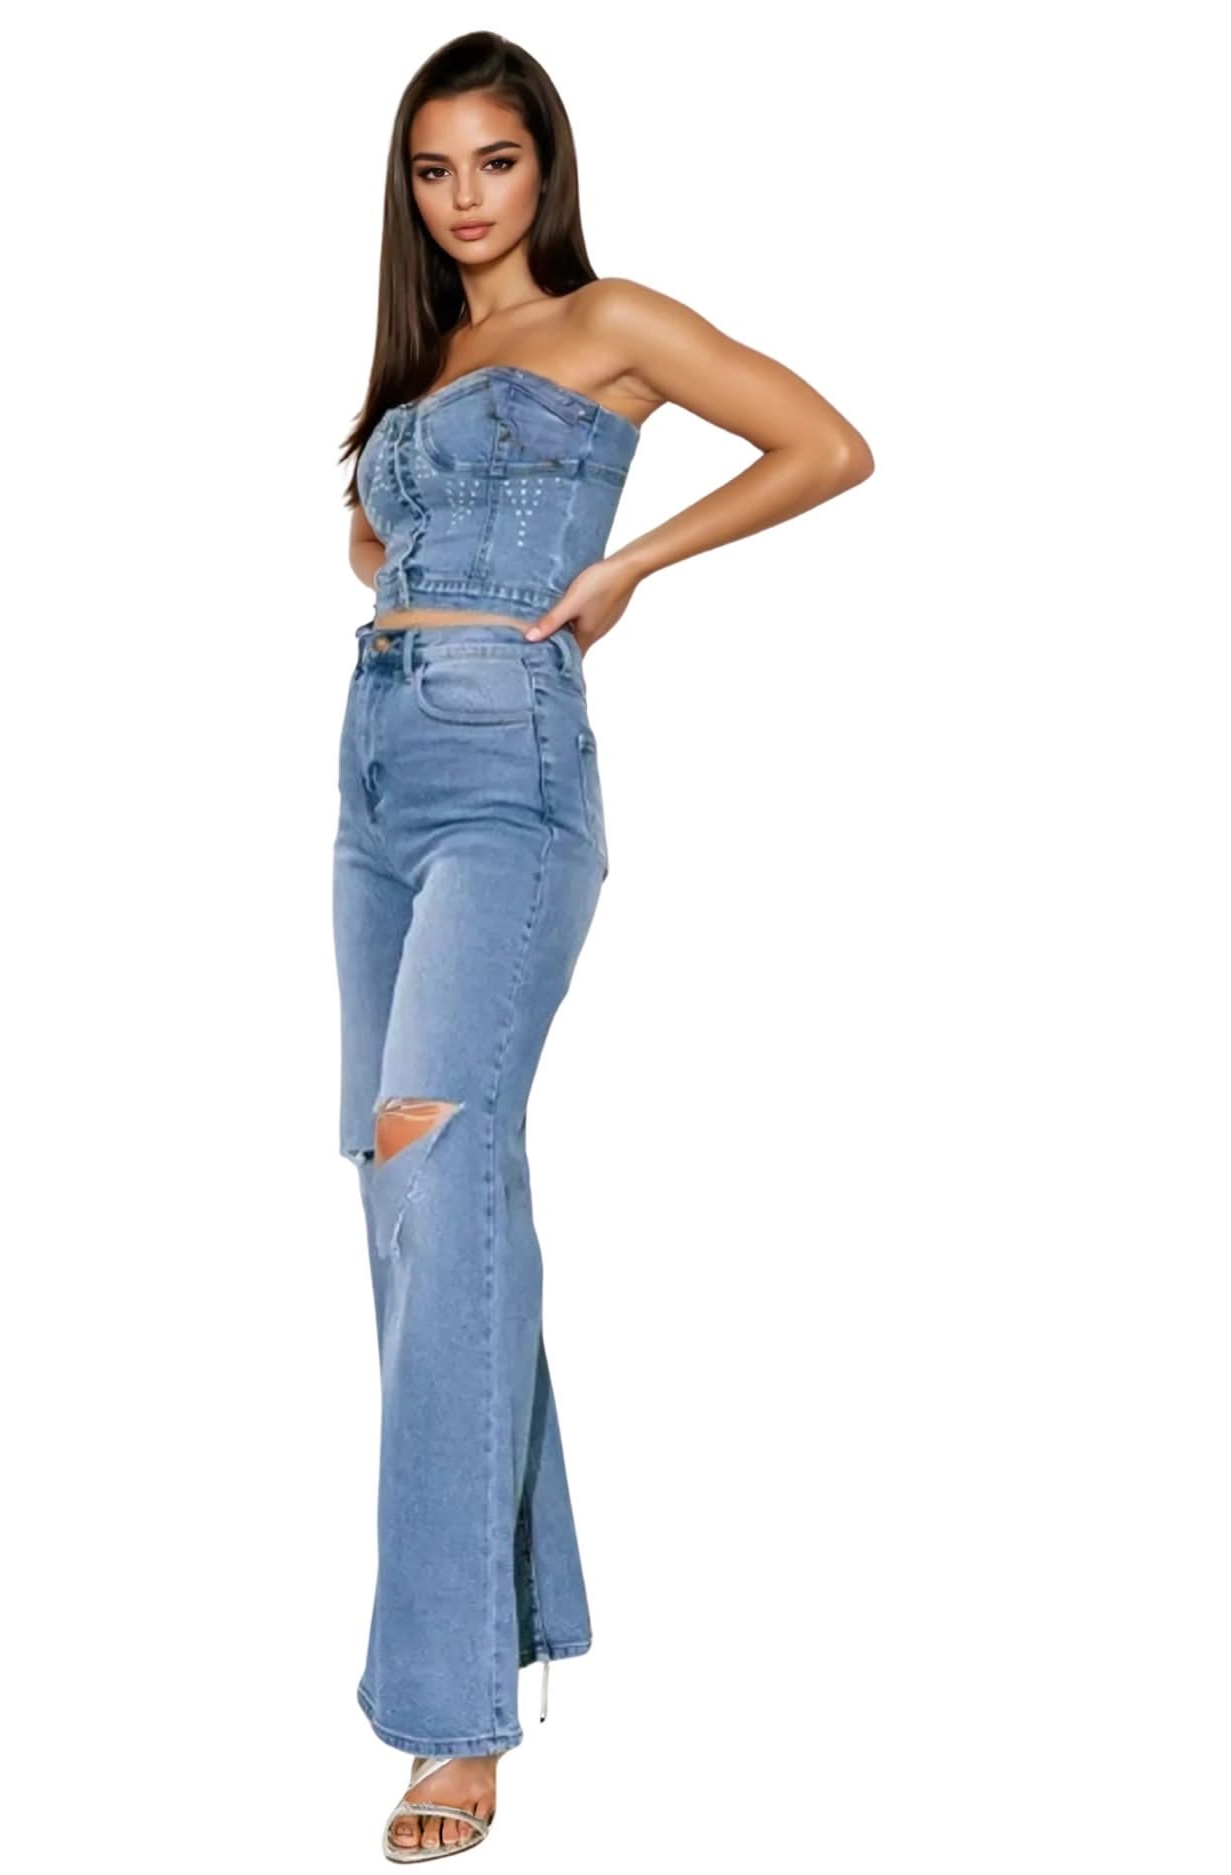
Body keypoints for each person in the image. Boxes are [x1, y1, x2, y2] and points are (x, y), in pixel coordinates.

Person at [333, 30, 874, 1861]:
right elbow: (372, 544)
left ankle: (451, 1724)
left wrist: (625, 564)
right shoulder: (423, 361)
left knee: (437, 1153)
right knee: (414, 1199)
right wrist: (414, 552)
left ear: (545, 169)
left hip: (507, 763)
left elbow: (827, 445)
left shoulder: (612, 320)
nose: (464, 198)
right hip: (373, 770)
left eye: (493, 162)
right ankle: (511, 1621)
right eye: (433, 170)